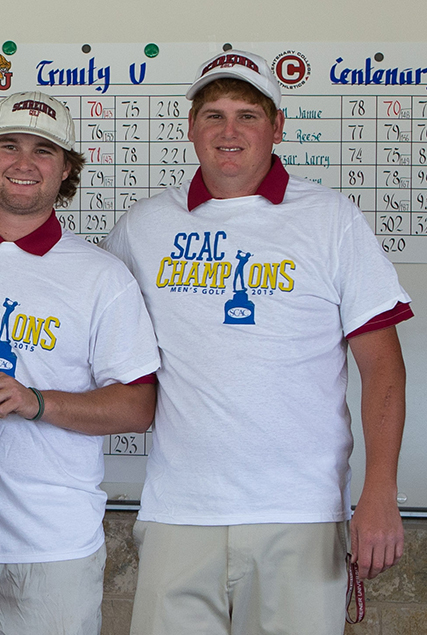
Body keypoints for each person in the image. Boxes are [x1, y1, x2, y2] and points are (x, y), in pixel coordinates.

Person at [101, 50, 412, 634]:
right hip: (178, 512)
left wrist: (380, 492)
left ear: (276, 127)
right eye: (213, 114)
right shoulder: (144, 226)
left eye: (247, 114)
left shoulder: (330, 218)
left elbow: (384, 369)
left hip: (300, 513)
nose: (229, 131)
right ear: (191, 127)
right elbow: (72, 298)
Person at [0, 92, 160, 635]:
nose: (24, 163)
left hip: (52, 545)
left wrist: (36, 402)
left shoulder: (100, 275)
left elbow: (139, 405)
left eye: (44, 151)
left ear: (66, 168)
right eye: (9, 146)